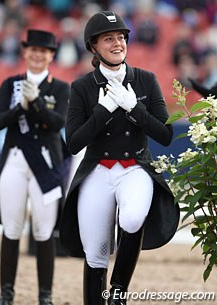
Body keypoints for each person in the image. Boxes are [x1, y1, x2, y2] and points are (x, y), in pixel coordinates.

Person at [59, 11, 180, 305]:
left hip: (135, 168)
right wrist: (101, 112)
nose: (117, 43)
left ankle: (118, 295)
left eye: (121, 38)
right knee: (96, 251)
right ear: (93, 47)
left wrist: (134, 109)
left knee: (133, 215)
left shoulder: (146, 80)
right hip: (98, 169)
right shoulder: (82, 87)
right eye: (109, 39)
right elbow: (74, 143)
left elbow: (165, 135)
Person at [0, 29, 70, 305]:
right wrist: (20, 107)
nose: (37, 55)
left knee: (44, 230)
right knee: (11, 228)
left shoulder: (60, 88)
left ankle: (45, 295)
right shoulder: (10, 84)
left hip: (46, 163)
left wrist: (35, 103)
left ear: (51, 55)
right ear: (25, 52)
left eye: (43, 51)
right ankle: (6, 293)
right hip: (15, 160)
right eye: (33, 49)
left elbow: (58, 123)